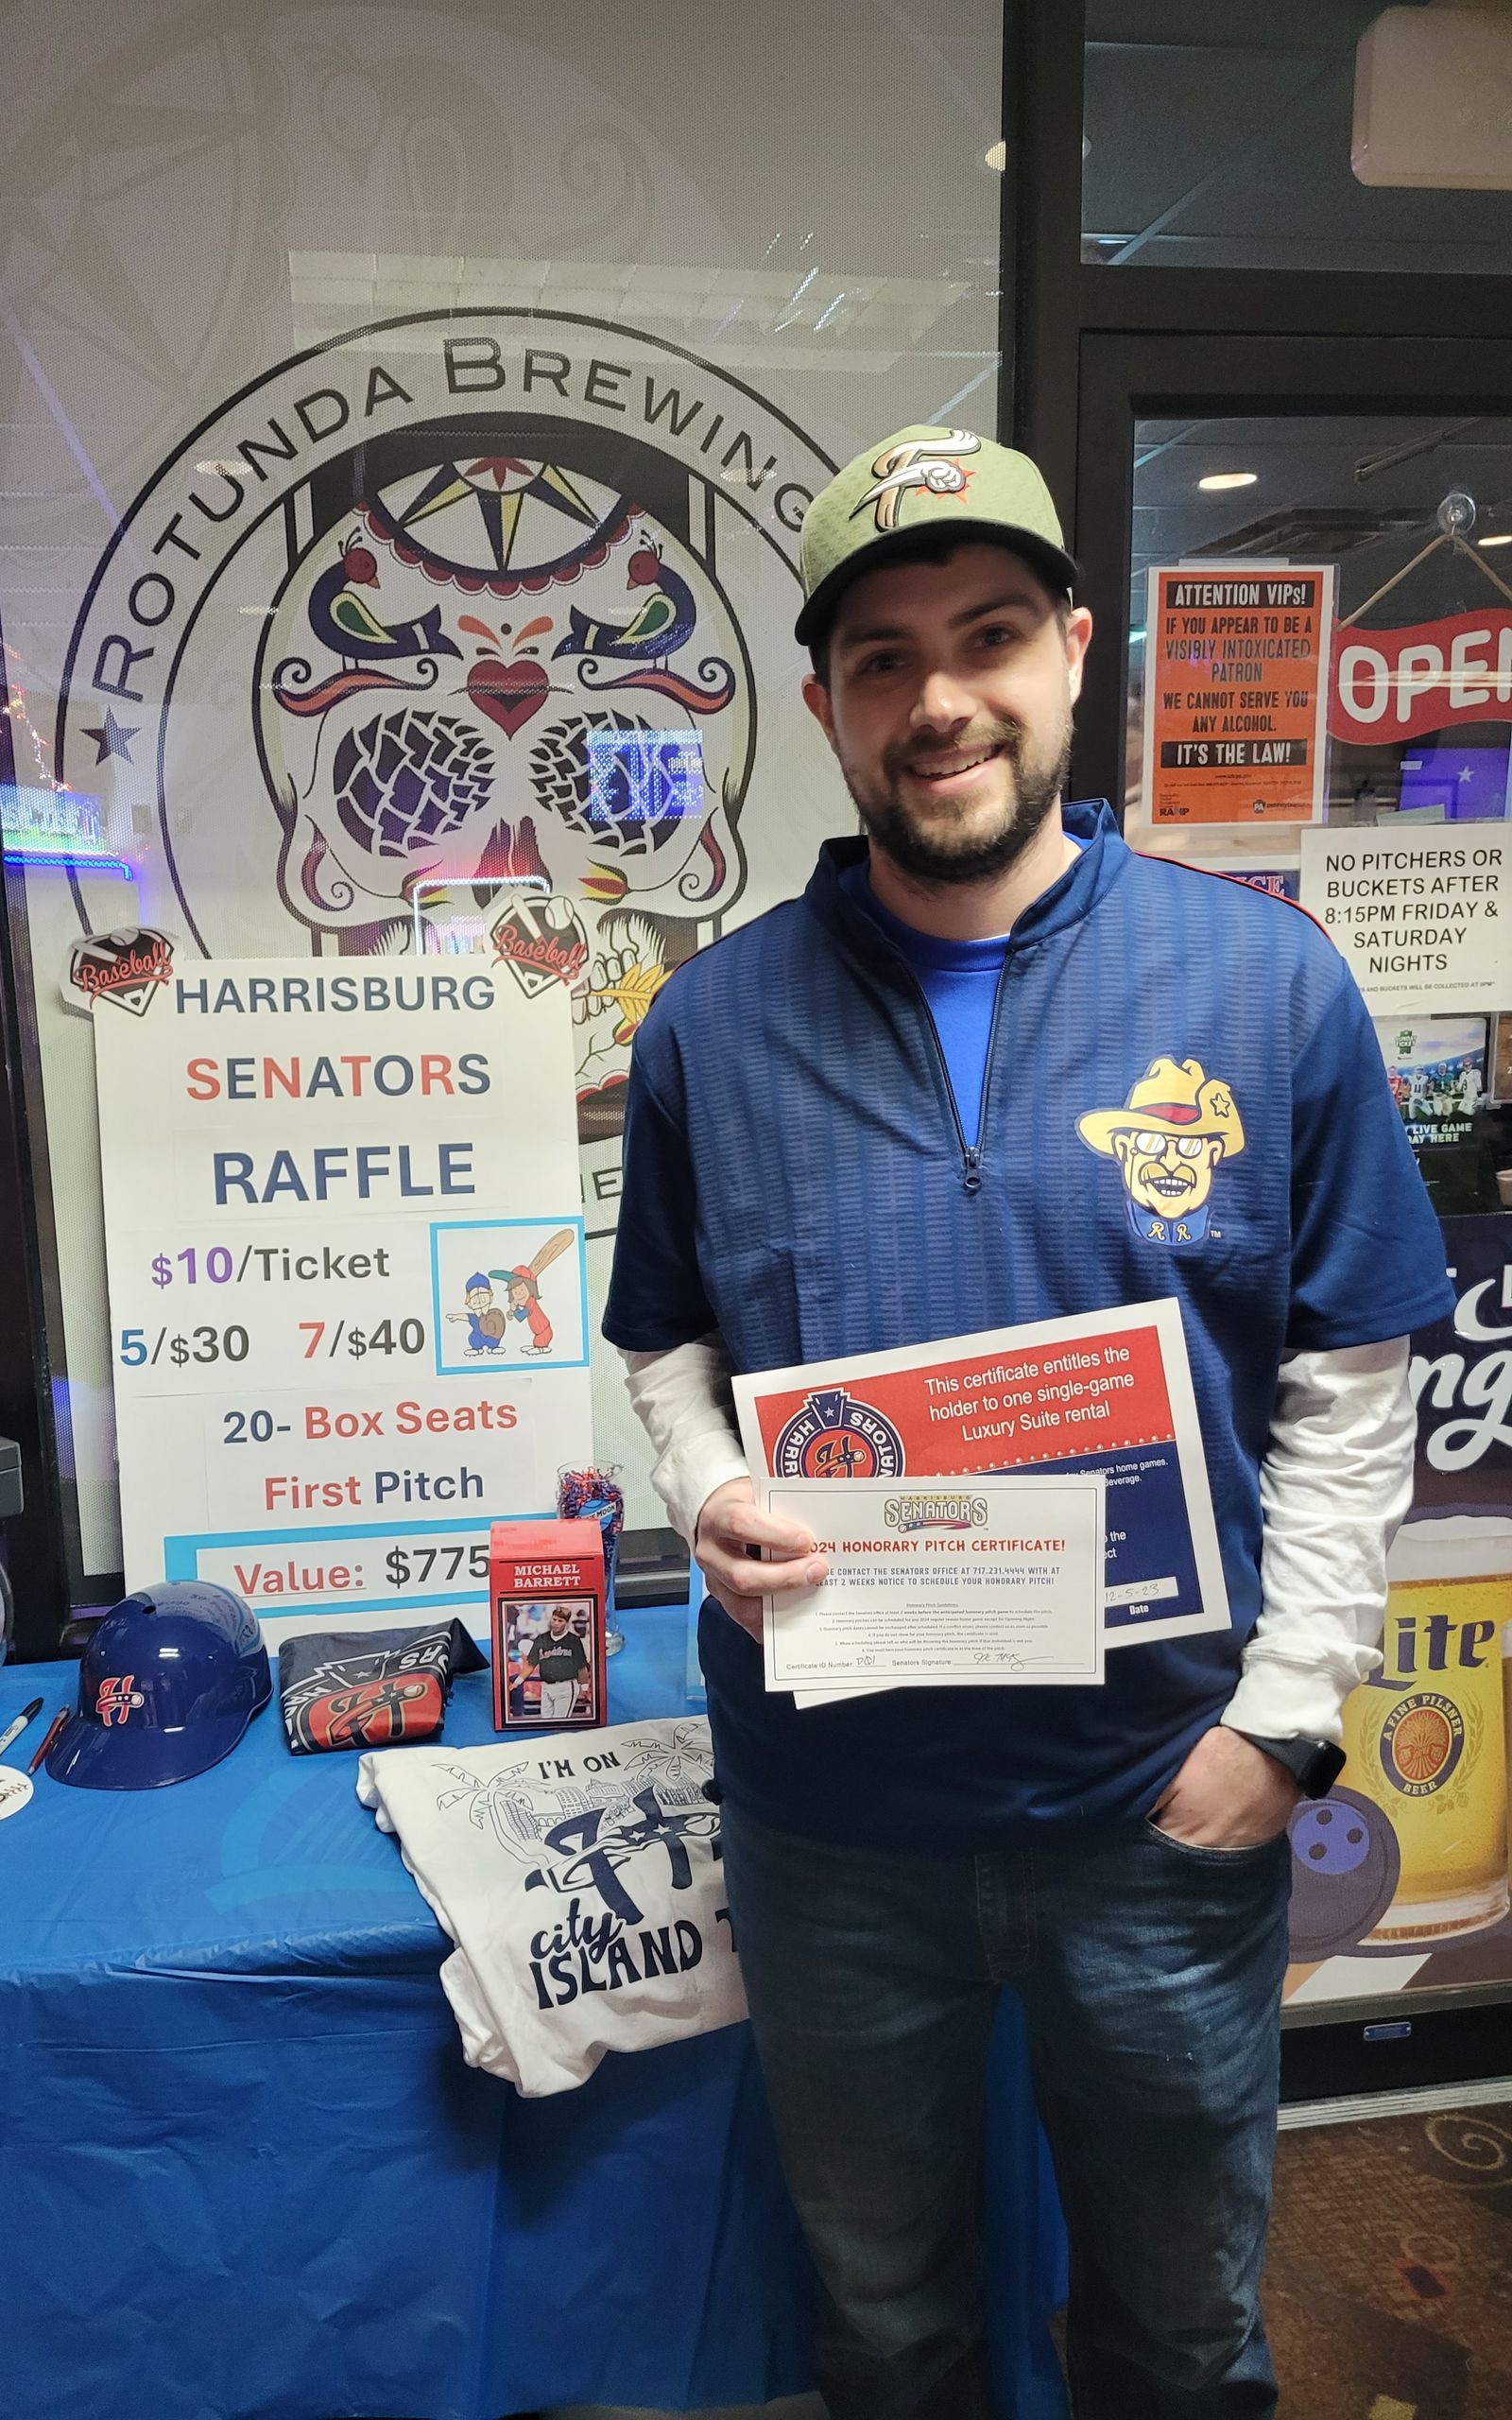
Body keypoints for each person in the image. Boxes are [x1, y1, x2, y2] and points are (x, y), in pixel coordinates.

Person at [602, 424, 1454, 2420]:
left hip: (1156, 1808)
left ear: (1075, 650)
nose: (941, 698)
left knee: (1181, 2335)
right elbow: (667, 1344)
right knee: (889, 2327)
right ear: (826, 702)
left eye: (987, 634)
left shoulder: (1265, 984)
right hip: (833, 1823)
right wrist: (711, 1489)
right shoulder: (710, 1024)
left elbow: (1350, 1387)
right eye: (882, 658)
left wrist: (1281, 1728)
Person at [524, 1602, 591, 1720]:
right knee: (546, 1721)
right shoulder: (543, 1639)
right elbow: (531, 1663)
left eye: (560, 1621)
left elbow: (582, 1666)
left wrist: (584, 1688)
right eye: (554, 1619)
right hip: (547, 1686)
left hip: (566, 1685)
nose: (556, 1623)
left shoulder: (574, 1641)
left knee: (560, 1721)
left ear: (566, 1623)